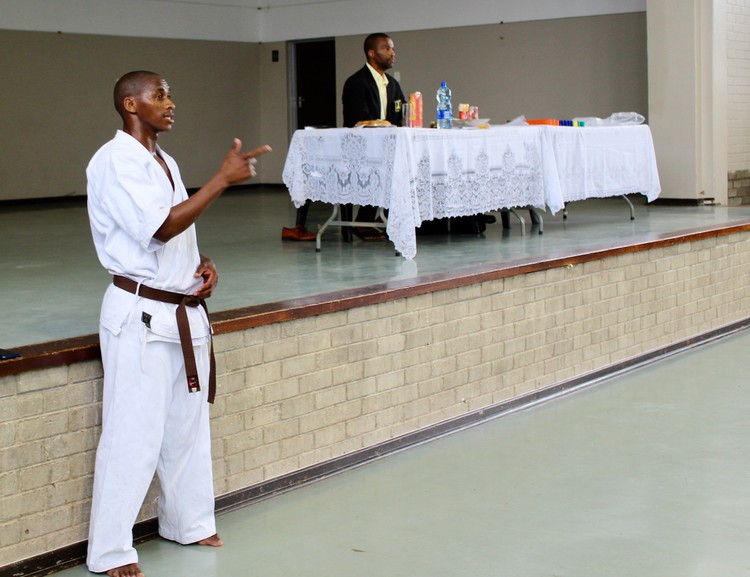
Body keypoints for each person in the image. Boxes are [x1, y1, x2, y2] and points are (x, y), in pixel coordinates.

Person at [85, 70, 270, 577]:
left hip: (181, 310)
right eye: (159, 95)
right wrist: (221, 179)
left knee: (186, 430)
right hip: (140, 316)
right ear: (130, 103)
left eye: (169, 93)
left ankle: (187, 523)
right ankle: (110, 551)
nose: (170, 102)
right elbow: (160, 226)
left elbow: (177, 233)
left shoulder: (162, 159)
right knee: (132, 434)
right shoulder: (115, 162)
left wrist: (201, 263)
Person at [341, 32, 406, 241]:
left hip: (386, 146)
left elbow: (401, 114)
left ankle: (393, 219)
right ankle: (364, 221)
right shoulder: (356, 82)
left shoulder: (393, 85)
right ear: (371, 53)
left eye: (393, 48)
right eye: (387, 48)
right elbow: (357, 118)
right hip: (359, 148)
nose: (392, 53)